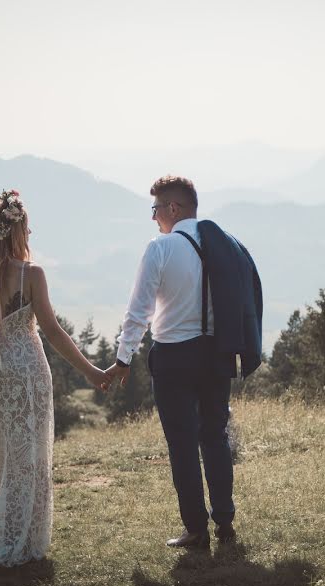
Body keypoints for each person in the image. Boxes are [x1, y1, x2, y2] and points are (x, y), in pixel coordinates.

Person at [107, 175, 262, 549]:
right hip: (217, 353)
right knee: (215, 437)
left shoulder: (160, 249)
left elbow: (139, 311)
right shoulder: (225, 244)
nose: (154, 217)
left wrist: (122, 358)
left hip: (175, 357)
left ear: (173, 208)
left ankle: (196, 530)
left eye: (156, 209)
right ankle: (225, 522)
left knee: (182, 444)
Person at [0, 189, 110, 566]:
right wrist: (92, 372)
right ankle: (19, 543)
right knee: (28, 457)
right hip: (26, 373)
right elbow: (53, 332)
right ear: (17, 231)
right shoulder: (32, 274)